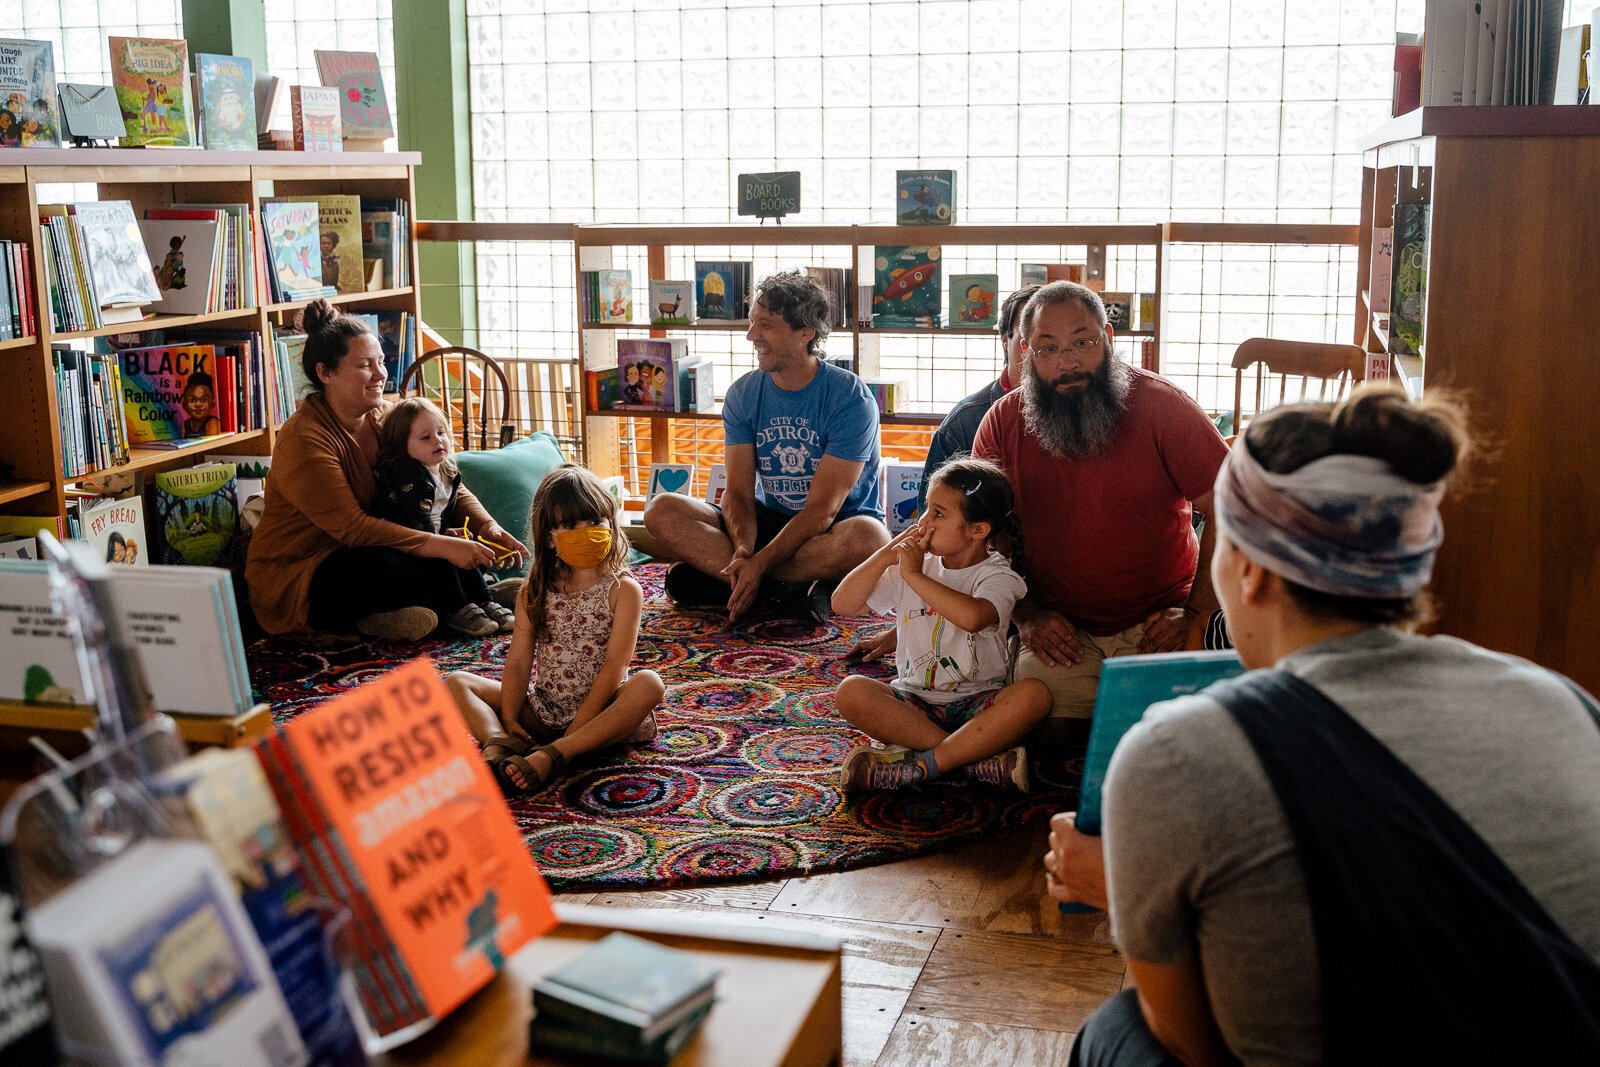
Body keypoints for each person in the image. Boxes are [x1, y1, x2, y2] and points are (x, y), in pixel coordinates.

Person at [1044, 387, 1600, 1066]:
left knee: (1116, 1030)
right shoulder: (1563, 702)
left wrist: (1122, 886)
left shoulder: (1177, 753)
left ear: (1248, 572)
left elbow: (1190, 1045)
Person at [972, 281, 1229, 738]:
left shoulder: (1164, 408)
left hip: (1159, 620)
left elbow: (1231, 508)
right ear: (1027, 353)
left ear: (1108, 339)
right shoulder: (1003, 420)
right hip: (1057, 626)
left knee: (1171, 736)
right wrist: (1026, 612)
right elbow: (980, 530)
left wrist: (1194, 612)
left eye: (1082, 343)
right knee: (1052, 733)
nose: (1067, 362)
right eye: (1048, 348)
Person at [245, 299, 528, 641]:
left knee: (448, 538)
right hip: (310, 571)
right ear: (325, 373)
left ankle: (471, 598)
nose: (381, 374)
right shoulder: (304, 440)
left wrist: (488, 526)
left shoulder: (384, 415)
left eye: (380, 361)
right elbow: (354, 530)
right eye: (366, 365)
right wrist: (439, 545)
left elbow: (441, 476)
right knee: (397, 563)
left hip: (379, 541)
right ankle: (380, 618)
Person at [644, 269, 890, 623]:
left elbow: (824, 509)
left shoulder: (849, 398)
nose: (751, 335)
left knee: (870, 540)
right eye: (752, 323)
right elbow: (739, 493)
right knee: (661, 510)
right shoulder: (744, 393)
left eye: (766, 326)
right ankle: (782, 589)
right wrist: (745, 547)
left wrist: (761, 561)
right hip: (767, 523)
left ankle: (735, 581)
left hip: (831, 530)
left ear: (806, 333)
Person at [832, 458, 1052, 793]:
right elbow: (842, 604)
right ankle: (970, 758)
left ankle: (923, 766)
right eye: (926, 509)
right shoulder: (914, 565)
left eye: (938, 513)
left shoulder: (997, 575)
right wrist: (885, 555)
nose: (923, 522)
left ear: (978, 530)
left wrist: (914, 576)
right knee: (851, 691)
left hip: (979, 703)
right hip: (915, 704)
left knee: (1034, 696)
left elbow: (973, 617)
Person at [849, 284, 1040, 665]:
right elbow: (938, 525)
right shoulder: (968, 421)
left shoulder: (1081, 411)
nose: (1042, 353)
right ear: (1007, 341)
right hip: (985, 584)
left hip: (1023, 588)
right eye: (1031, 338)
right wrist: (908, 622)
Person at [445, 464, 664, 794]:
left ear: (610, 523)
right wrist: (509, 719)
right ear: (549, 538)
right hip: (544, 711)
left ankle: (557, 755)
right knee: (457, 682)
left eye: (594, 521)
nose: (586, 531)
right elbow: (518, 662)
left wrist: (574, 732)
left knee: (649, 684)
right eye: (571, 525)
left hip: (600, 716)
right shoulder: (535, 590)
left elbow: (615, 668)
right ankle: (502, 744)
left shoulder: (624, 590)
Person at [370, 396, 516, 637]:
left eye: (441, 433)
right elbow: (418, 526)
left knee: (463, 546)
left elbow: (440, 515)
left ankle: (484, 599)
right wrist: (445, 540)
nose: (437, 440)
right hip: (405, 549)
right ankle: (457, 607)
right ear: (401, 446)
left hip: (430, 535)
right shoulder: (409, 478)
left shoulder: (444, 468)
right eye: (425, 437)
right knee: (446, 553)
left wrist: (453, 533)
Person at [179, 371, 222, 437]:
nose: (198, 404)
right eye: (192, 400)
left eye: (204, 400)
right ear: (184, 405)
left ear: (212, 403)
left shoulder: (213, 423)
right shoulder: (184, 425)